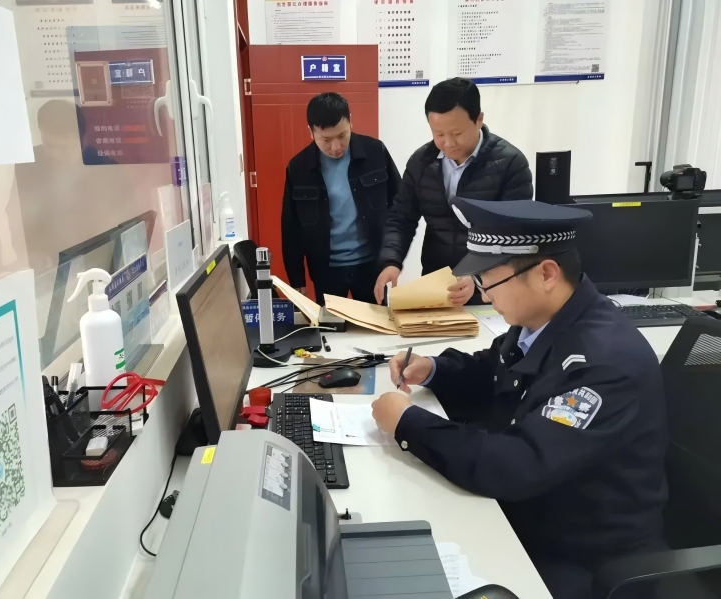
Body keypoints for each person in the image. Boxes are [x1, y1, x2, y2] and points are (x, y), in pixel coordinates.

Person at [371, 197, 668, 599]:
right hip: (537, 513)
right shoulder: (545, 320)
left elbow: (518, 465)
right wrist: (435, 369)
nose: (484, 295)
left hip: (584, 557)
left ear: (546, 273)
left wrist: (408, 424)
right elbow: (494, 370)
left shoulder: (605, 363)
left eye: (489, 281)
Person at [374, 78, 533, 306]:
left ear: (479, 119)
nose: (448, 143)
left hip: (492, 289)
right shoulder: (421, 162)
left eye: (457, 133)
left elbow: (513, 234)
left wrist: (476, 277)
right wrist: (391, 261)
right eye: (438, 134)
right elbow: (401, 218)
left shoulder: (510, 164)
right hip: (437, 284)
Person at [282, 93, 401, 306]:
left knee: (376, 324)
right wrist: (297, 279)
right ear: (311, 132)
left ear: (350, 122)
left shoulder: (375, 152)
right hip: (326, 270)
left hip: (371, 265)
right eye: (326, 140)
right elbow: (292, 229)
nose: (336, 147)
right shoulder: (299, 168)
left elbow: (400, 205)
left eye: (342, 135)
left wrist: (393, 258)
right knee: (331, 325)